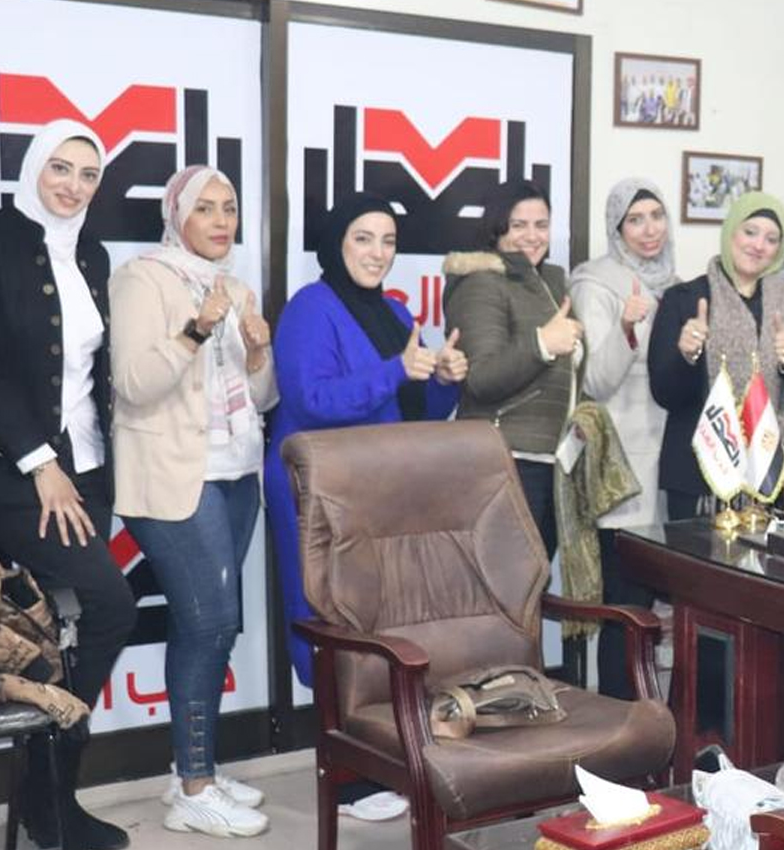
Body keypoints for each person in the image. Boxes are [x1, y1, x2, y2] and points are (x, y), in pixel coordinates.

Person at [0, 119, 137, 850]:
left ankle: (52, 801)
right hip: (9, 477)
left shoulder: (93, 251)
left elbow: (89, 373)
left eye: (88, 173)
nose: (73, 185)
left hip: (87, 473)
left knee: (61, 631)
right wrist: (38, 462)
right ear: (33, 167)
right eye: (60, 167)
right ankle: (48, 801)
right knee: (112, 605)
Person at [263, 193, 466, 823]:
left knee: (378, 623)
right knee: (330, 620)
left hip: (377, 488)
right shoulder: (309, 307)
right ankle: (345, 779)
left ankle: (377, 761)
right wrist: (396, 370)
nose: (378, 253)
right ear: (336, 243)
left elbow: (416, 412)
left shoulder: (396, 311)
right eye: (363, 238)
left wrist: (445, 380)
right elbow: (312, 399)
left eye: (388, 241)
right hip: (317, 488)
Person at [107, 165, 276, 837]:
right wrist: (195, 331)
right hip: (175, 475)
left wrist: (258, 355)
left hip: (236, 471)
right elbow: (132, 383)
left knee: (211, 626)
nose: (220, 221)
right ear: (177, 215)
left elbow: (262, 398)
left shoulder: (236, 286)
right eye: (204, 208)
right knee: (209, 623)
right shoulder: (141, 278)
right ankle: (194, 790)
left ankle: (194, 767)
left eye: (228, 208)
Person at [572, 179, 675, 699]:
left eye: (656, 215)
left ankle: (653, 718)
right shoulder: (596, 283)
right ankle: (617, 716)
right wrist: (627, 328)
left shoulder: (676, 284)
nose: (649, 229)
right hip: (623, 473)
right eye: (635, 220)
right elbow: (595, 380)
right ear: (616, 229)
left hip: (669, 468)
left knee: (660, 611)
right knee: (625, 608)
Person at [647, 192, 784, 520]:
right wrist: (687, 355)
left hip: (773, 474)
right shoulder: (684, 299)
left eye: (771, 239)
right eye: (750, 232)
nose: (758, 245)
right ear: (731, 231)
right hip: (699, 477)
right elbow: (665, 394)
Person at [443, 180, 580, 562]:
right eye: (519, 225)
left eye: (541, 225)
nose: (532, 236)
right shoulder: (481, 283)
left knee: (531, 584)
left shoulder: (548, 282)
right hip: (506, 462)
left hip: (551, 461)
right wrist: (542, 344)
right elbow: (481, 378)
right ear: (496, 228)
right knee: (507, 585)